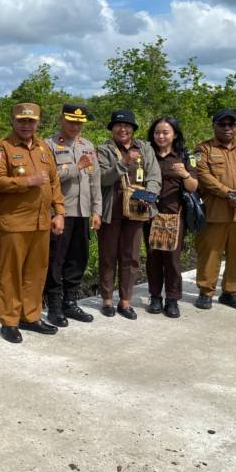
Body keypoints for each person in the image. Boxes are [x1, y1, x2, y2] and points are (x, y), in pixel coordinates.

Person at [0, 102, 65, 344]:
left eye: (31, 121)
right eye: (21, 120)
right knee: (10, 274)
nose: (26, 125)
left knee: (36, 272)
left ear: (38, 122)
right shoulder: (3, 148)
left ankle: (30, 316)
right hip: (13, 223)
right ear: (13, 120)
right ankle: (9, 321)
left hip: (41, 222)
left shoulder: (44, 148)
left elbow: (54, 183)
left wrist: (59, 212)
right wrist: (28, 181)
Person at [194, 109, 236, 311]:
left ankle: (232, 292)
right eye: (222, 124)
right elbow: (203, 175)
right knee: (210, 252)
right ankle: (206, 292)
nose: (227, 128)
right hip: (216, 211)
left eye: (230, 124)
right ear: (214, 126)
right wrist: (228, 193)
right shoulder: (203, 148)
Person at [96, 109, 161, 320]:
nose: (122, 129)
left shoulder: (145, 148)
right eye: (118, 125)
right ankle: (107, 299)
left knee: (131, 257)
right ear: (112, 128)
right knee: (108, 256)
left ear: (133, 129)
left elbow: (154, 176)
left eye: (127, 126)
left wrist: (147, 196)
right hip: (111, 211)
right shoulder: (104, 150)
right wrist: (123, 164)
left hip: (137, 210)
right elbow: (103, 179)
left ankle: (125, 301)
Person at [44, 104, 101, 327]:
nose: (75, 126)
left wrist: (97, 210)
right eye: (71, 121)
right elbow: (50, 179)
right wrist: (76, 167)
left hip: (82, 212)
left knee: (78, 259)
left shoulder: (88, 146)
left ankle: (71, 301)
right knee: (56, 260)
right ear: (61, 121)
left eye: (79, 122)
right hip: (60, 212)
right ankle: (55, 306)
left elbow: (95, 181)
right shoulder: (49, 145)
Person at [144, 117, 198, 318]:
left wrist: (185, 174)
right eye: (157, 132)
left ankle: (173, 299)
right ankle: (155, 296)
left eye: (165, 132)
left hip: (175, 215)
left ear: (174, 134)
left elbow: (193, 187)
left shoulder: (184, 156)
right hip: (150, 214)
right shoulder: (146, 154)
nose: (161, 136)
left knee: (173, 259)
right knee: (153, 257)